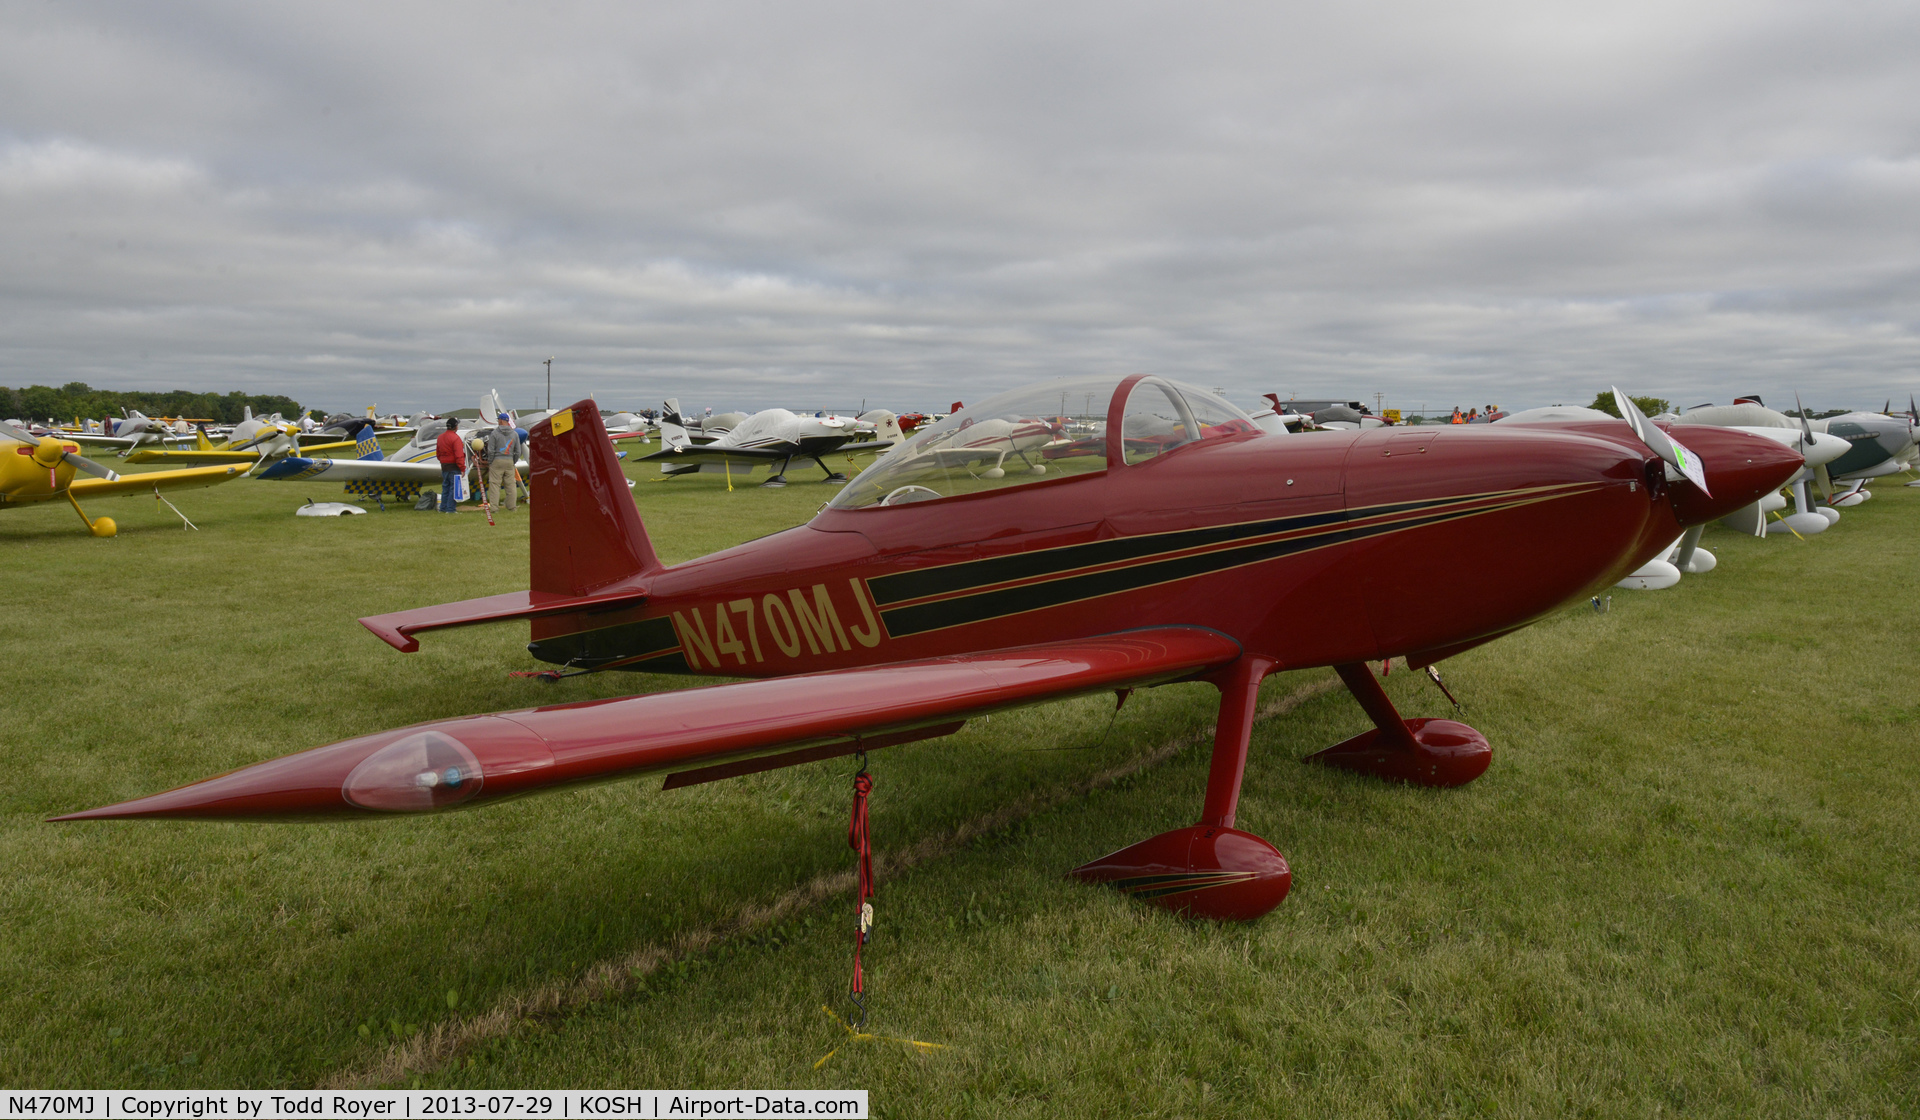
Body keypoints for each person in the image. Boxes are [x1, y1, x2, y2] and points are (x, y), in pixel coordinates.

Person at [480, 412, 523, 512]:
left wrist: (491, 462)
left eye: (498, 420)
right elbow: (518, 451)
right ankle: (512, 507)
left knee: (495, 485)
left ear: (500, 420)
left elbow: (490, 450)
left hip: (497, 461)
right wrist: (513, 461)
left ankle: (494, 508)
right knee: (511, 485)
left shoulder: (494, 433)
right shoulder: (515, 434)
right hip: (509, 461)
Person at [434, 417, 466, 513]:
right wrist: (462, 468)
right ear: (455, 427)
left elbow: (438, 454)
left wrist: (443, 461)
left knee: (445, 488)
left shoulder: (440, 437)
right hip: (453, 467)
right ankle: (451, 509)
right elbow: (459, 455)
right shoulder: (455, 438)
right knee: (454, 488)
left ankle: (443, 508)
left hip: (444, 466)